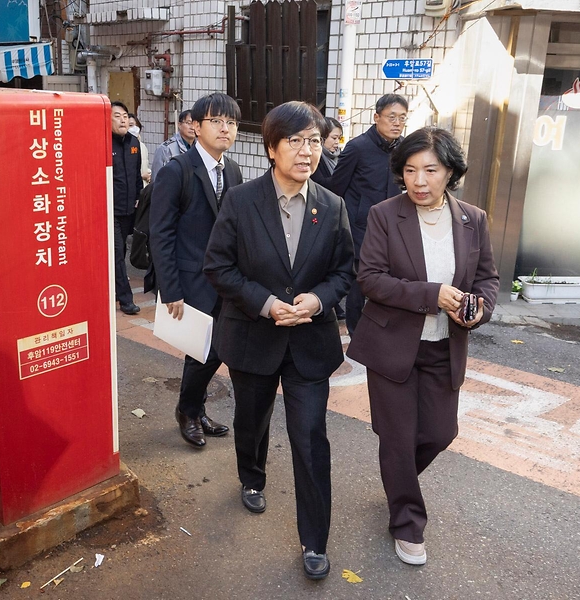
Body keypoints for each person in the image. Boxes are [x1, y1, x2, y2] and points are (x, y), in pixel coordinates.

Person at [203, 101, 355, 580]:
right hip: (253, 336)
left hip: (310, 343)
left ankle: (315, 540)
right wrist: (267, 303)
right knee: (251, 421)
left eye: (314, 141)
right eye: (295, 141)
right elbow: (218, 266)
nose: (307, 151)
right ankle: (252, 477)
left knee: (310, 437)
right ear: (272, 148)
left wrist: (317, 300)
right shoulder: (241, 201)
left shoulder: (332, 205)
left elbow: (344, 271)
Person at [346, 127, 499, 566]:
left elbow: (487, 279)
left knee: (439, 433)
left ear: (449, 171)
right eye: (410, 170)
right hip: (392, 345)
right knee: (397, 438)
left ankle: (398, 483)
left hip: (444, 346)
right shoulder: (384, 214)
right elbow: (370, 279)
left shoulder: (473, 219)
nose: (419, 181)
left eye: (430, 170)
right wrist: (433, 295)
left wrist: (479, 309)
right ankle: (407, 523)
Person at [150, 93, 243, 448]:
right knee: (203, 349)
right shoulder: (177, 170)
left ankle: (194, 409)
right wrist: (170, 289)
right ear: (196, 126)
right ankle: (188, 411)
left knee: (212, 349)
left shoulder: (232, 170)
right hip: (191, 280)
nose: (225, 128)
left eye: (231, 123)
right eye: (217, 121)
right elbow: (161, 234)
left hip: (226, 280)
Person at [325, 93, 409, 336]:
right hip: (360, 227)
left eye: (402, 118)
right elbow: (337, 188)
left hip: (394, 225)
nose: (397, 123)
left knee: (390, 277)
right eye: (391, 117)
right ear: (376, 117)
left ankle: (382, 330)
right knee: (360, 282)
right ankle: (356, 333)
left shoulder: (405, 148)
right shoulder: (358, 147)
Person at [110, 101, 143, 315]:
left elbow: (137, 175)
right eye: (117, 116)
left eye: (125, 116)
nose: (123, 120)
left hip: (129, 209)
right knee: (116, 253)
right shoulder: (103, 143)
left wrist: (139, 197)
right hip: (110, 209)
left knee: (119, 253)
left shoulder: (134, 143)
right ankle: (126, 299)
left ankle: (112, 288)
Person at [151, 110, 196, 182]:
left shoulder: (200, 148)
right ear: (179, 125)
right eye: (189, 123)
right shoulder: (165, 149)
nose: (193, 127)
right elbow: (156, 180)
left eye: (195, 123)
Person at [310, 117, 342, 186]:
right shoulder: (314, 156)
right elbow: (319, 183)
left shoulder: (341, 156)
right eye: (334, 138)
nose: (337, 142)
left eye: (339, 138)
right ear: (322, 137)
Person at [128, 113, 152, 186]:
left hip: (143, 187)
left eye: (137, 126)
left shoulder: (142, 146)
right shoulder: (124, 147)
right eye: (131, 125)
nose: (135, 128)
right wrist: (141, 176)